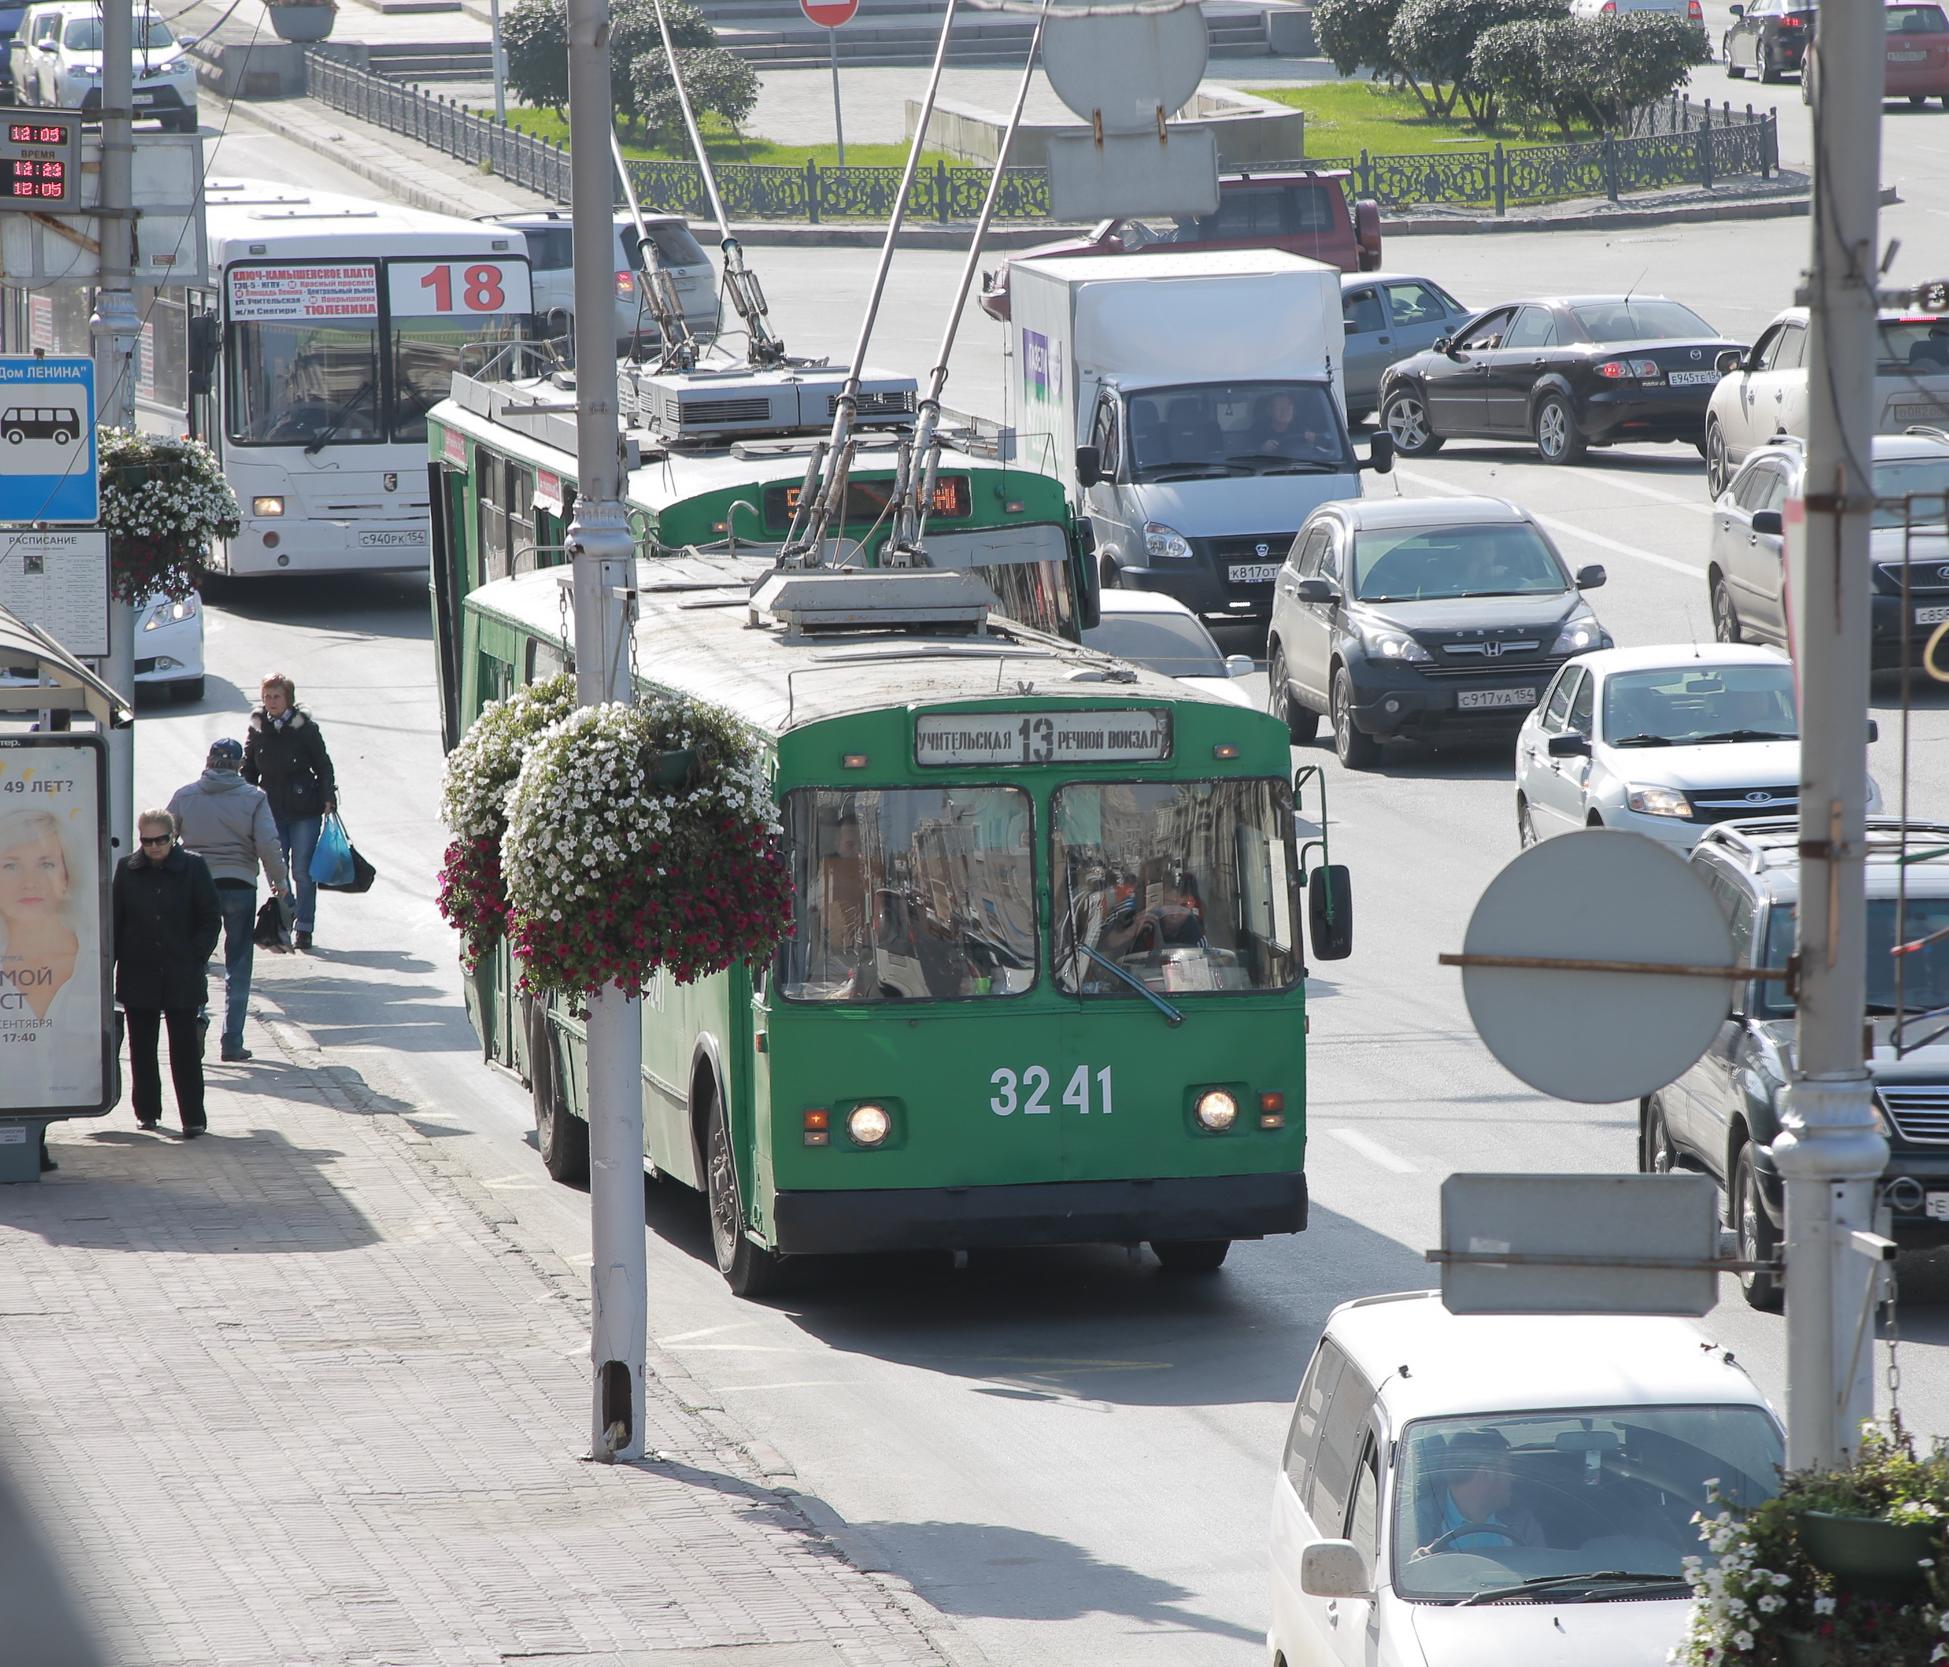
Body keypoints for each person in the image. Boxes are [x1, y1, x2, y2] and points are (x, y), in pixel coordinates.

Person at [168, 738, 288, 1064]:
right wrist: (281, 884)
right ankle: (232, 1041)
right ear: (238, 765)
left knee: (196, 959)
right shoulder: (254, 798)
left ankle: (196, 1018)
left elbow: (164, 839)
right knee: (238, 963)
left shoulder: (185, 796)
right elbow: (268, 843)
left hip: (196, 886)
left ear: (207, 762)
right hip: (240, 884)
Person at [0, 807, 103, 1167]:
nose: (29, 882)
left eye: (45, 864)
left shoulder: (94, 955)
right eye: (11, 865)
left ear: (67, 874)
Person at [113, 809, 221, 1137]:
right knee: (142, 1047)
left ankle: (193, 1118)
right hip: (139, 970)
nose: (155, 846)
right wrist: (110, 966)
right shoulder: (128, 869)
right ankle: (147, 1112)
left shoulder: (193, 867)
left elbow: (210, 917)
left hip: (180, 971)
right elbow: (116, 922)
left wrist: (194, 955)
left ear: (173, 837)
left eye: (161, 840)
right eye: (147, 841)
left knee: (185, 1048)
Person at [242, 672, 336, 952]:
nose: (271, 701)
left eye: (276, 696)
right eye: (267, 696)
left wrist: (327, 796)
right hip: (269, 810)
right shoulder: (258, 728)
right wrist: (245, 798)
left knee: (302, 871)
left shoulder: (305, 728)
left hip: (304, 808)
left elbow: (323, 765)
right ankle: (288, 911)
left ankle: (304, 928)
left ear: (288, 699)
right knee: (276, 870)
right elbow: (249, 768)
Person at [1413, 1431, 1547, 1556]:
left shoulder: (1522, 1522)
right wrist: (1418, 1563)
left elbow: (1542, 1570)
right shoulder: (1417, 1522)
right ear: (1485, 1474)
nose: (1512, 1478)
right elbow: (1404, 1575)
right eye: (1507, 1469)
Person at [1252, 392, 1337, 461]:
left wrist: (1314, 438)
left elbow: (1331, 446)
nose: (1286, 411)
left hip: (1298, 468)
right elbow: (1247, 453)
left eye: (1289, 406)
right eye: (1280, 407)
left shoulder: (1300, 427)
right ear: (1270, 411)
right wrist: (1262, 449)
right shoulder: (1258, 430)